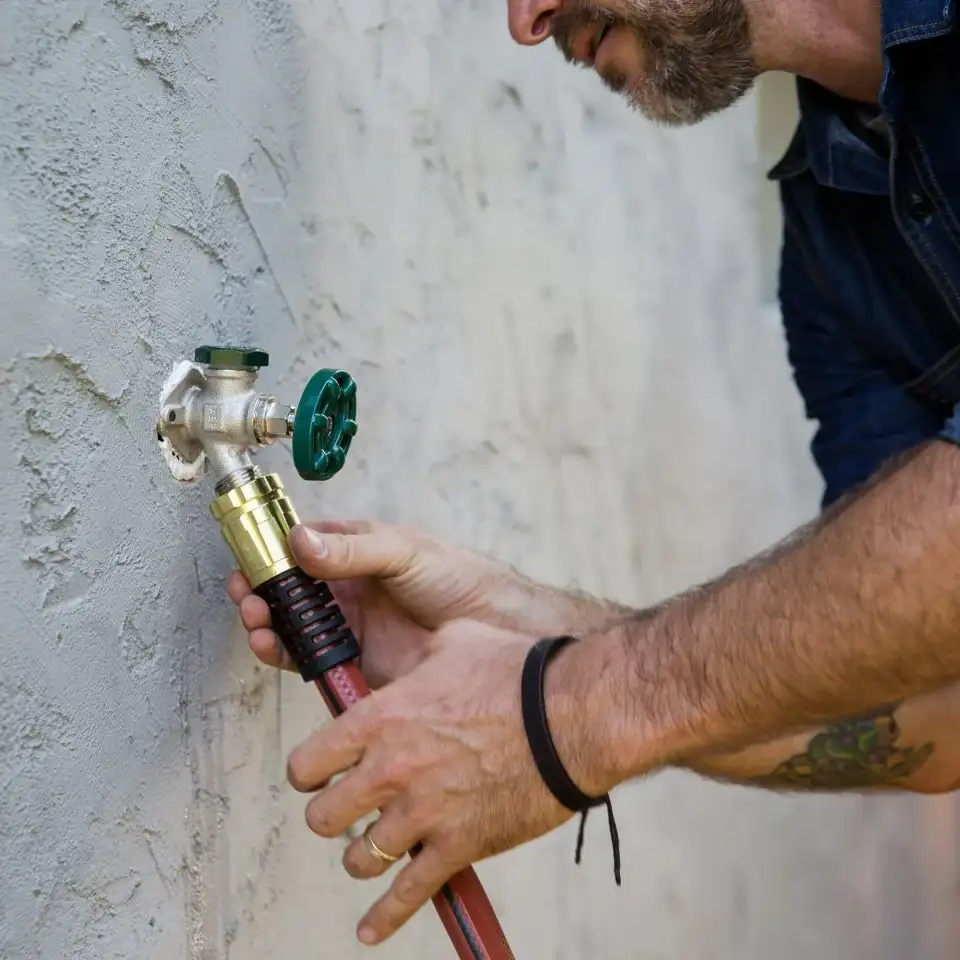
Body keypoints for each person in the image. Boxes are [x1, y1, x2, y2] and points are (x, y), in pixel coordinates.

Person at [229, 0, 960, 947]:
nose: (526, 23)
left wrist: (564, 715)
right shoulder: (836, 241)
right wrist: (538, 637)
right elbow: (924, 706)